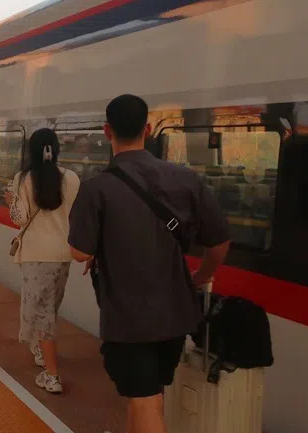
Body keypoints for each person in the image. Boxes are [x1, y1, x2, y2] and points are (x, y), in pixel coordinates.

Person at [68, 94, 231, 433]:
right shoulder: (186, 179)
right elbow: (219, 243)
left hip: (129, 318)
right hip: (175, 315)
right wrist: (201, 276)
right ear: (148, 128)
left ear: (106, 131)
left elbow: (80, 253)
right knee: (150, 394)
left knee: (144, 399)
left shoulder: (96, 189)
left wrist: (100, 248)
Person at [4, 128, 80, 393]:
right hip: (62, 254)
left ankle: (52, 375)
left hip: (35, 255)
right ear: (55, 149)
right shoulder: (71, 178)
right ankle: (40, 351)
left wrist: (11, 200)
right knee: (51, 307)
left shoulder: (22, 178)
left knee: (39, 309)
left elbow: (20, 218)